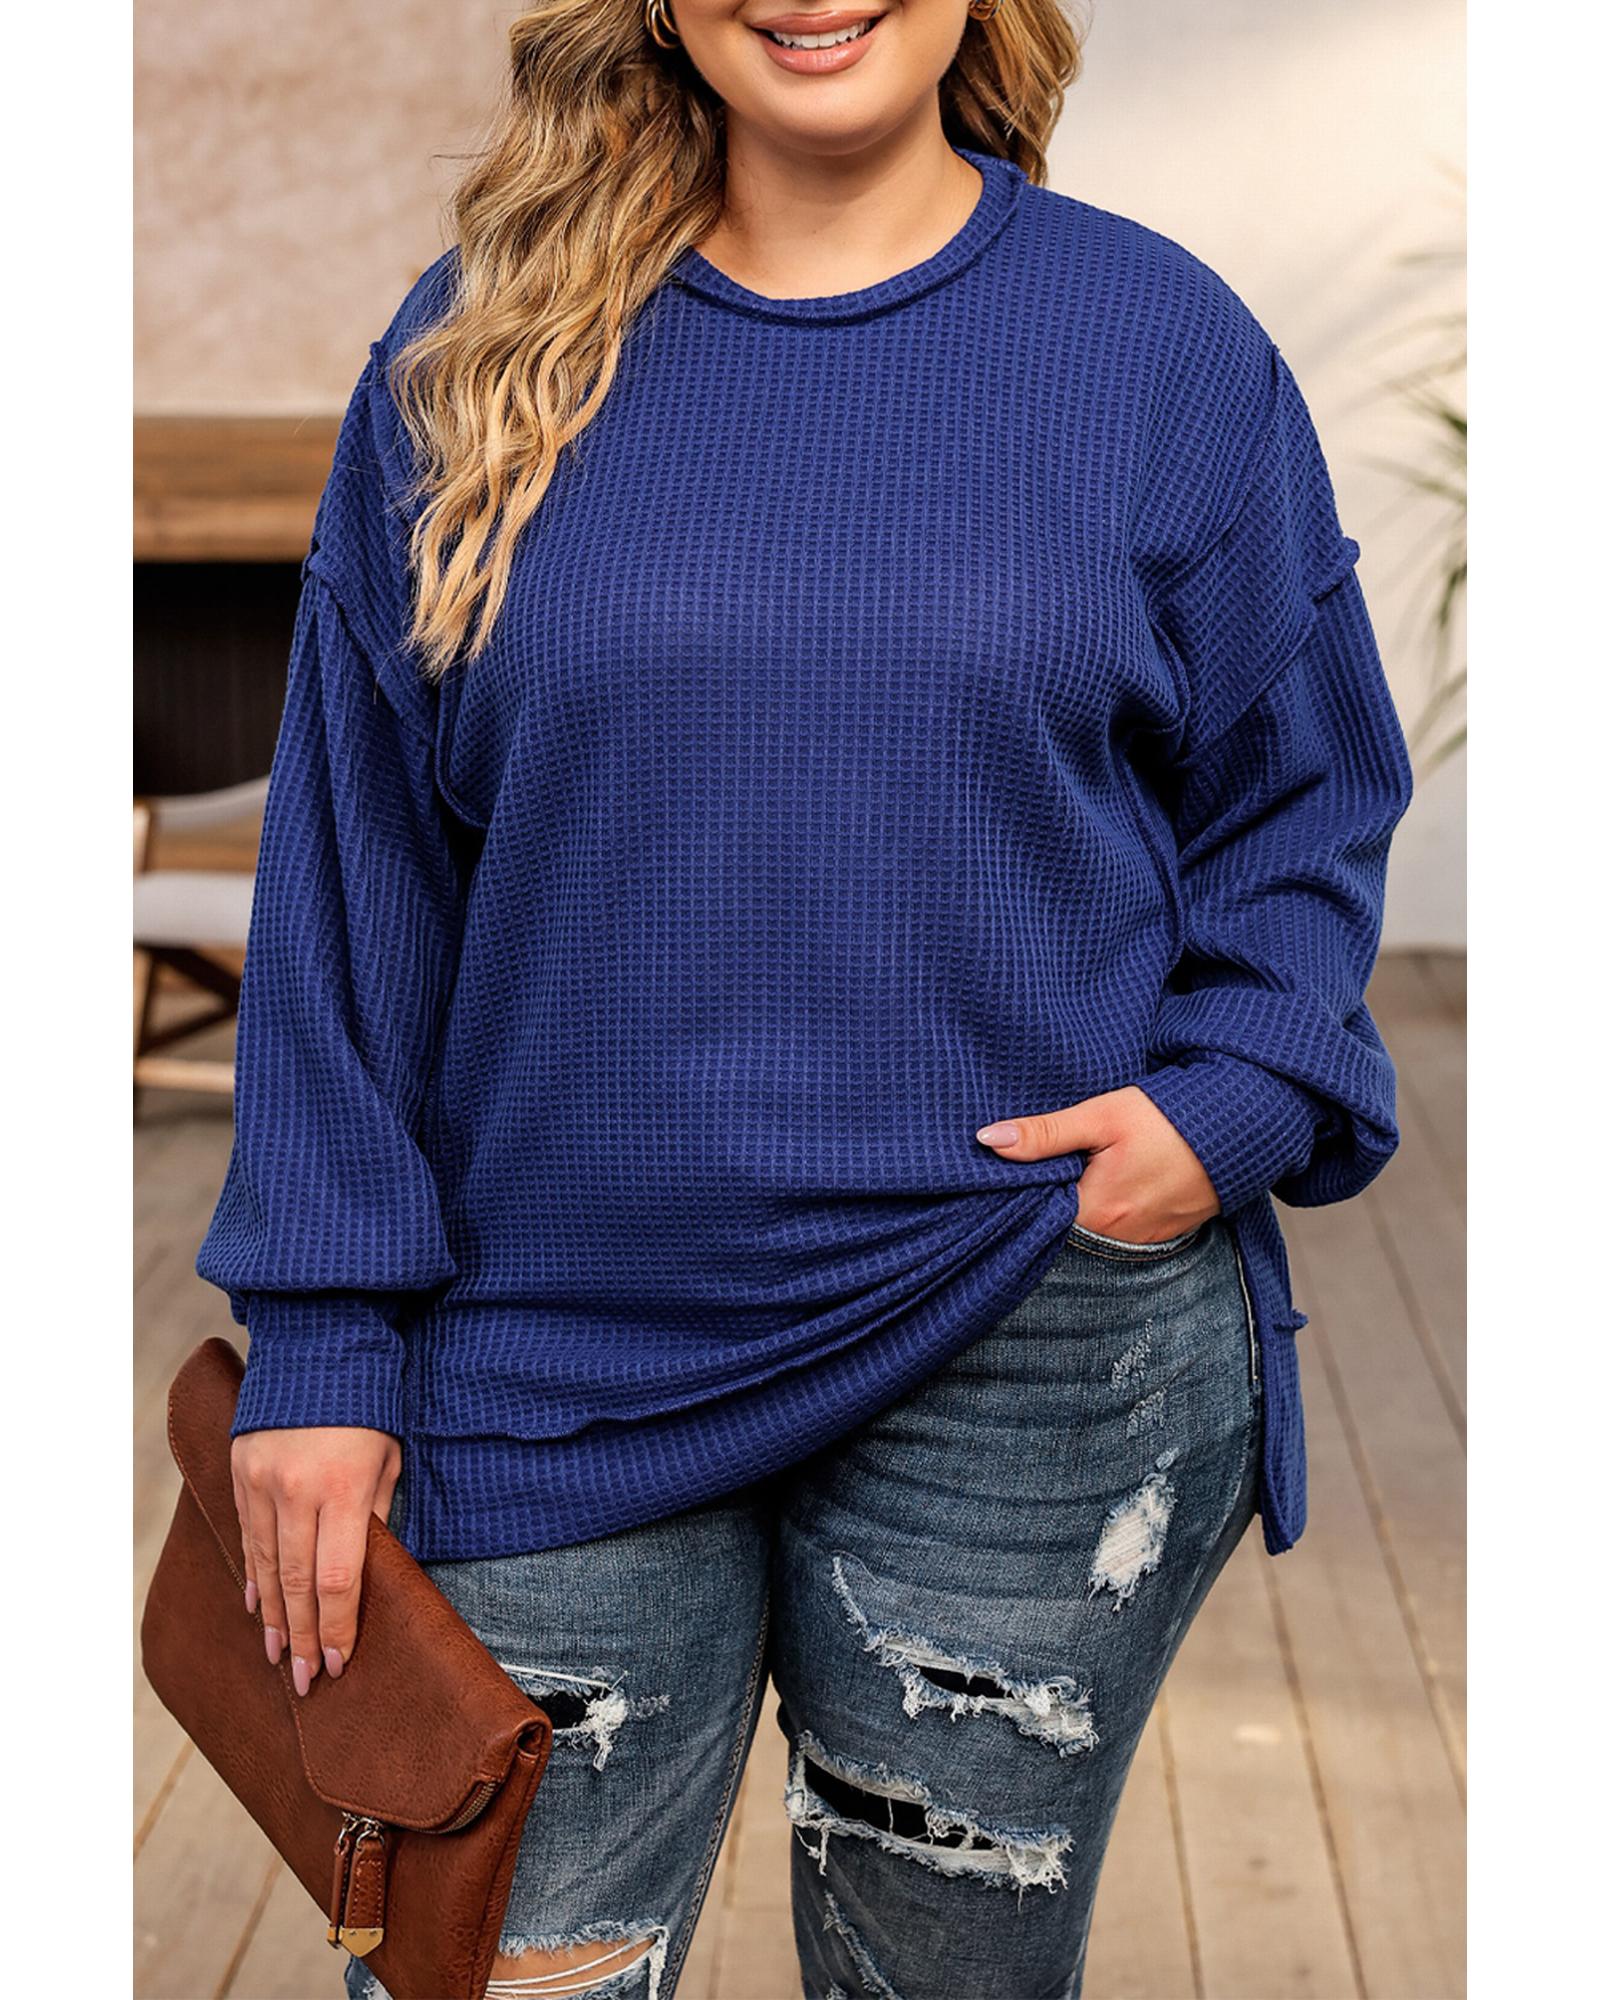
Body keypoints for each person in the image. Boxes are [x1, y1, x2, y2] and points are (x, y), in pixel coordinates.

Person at [195, 4, 1415, 1995]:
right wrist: (325, 1338)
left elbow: (1301, 801)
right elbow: (353, 882)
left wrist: (1221, 1111)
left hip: (1021, 1329)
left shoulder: (1155, 350)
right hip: (549, 1352)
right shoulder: (475, 354)